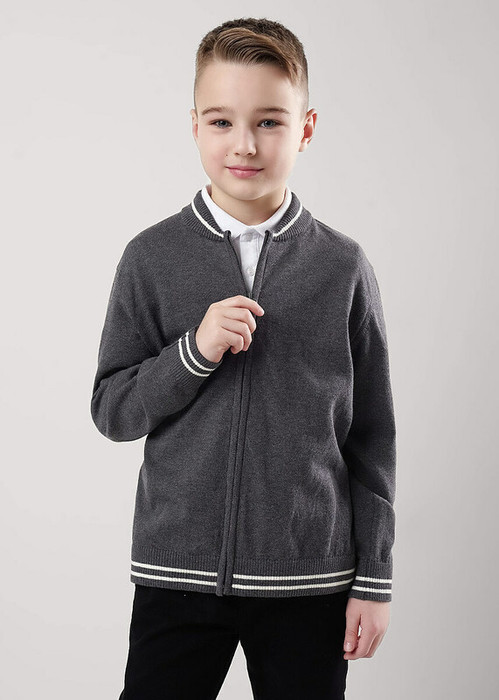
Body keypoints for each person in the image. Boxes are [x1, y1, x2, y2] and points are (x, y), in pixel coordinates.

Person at [90, 16, 397, 700]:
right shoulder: (151, 257)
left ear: (305, 129)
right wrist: (193, 352)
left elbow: (372, 436)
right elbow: (112, 411)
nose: (245, 144)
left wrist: (373, 578)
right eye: (222, 121)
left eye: (269, 122)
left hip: (308, 581)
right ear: (195, 126)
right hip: (177, 575)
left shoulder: (342, 267)